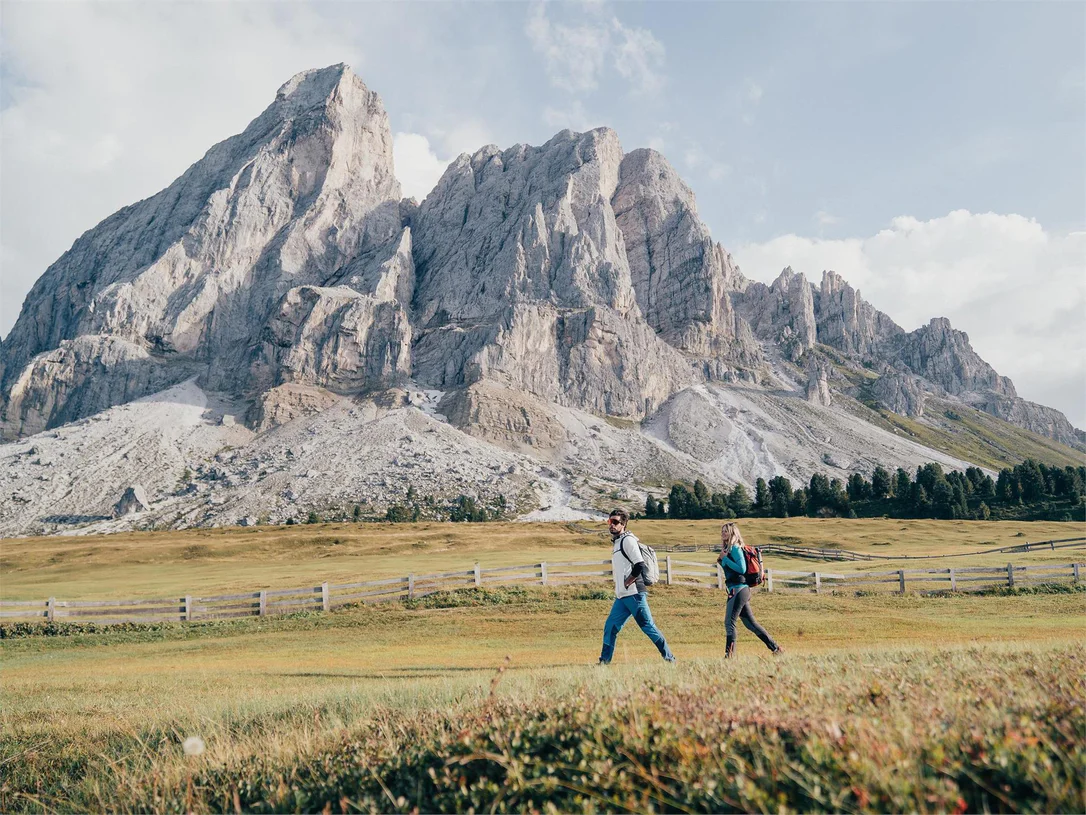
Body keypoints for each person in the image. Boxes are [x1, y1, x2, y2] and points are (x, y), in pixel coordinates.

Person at [598, 509, 676, 665]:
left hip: (634, 594)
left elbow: (639, 564)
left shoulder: (628, 540)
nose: (611, 525)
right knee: (610, 627)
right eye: (609, 522)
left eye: (615, 522)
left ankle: (670, 659)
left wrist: (629, 581)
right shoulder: (618, 541)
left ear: (624, 524)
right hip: (622, 596)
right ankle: (604, 662)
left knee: (648, 627)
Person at [717, 522, 782, 658]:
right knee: (751, 624)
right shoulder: (728, 548)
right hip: (737, 590)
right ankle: (776, 649)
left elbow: (742, 569)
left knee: (729, 622)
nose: (722, 533)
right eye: (722, 531)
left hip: (739, 590)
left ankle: (729, 657)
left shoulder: (735, 548)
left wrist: (725, 559)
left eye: (726, 531)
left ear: (732, 533)